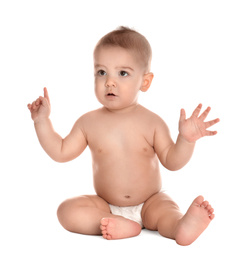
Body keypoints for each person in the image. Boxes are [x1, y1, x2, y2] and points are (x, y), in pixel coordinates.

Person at [27, 26, 220, 245]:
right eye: (102, 72)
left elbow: (172, 162)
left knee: (166, 211)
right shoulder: (87, 122)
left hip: (150, 201)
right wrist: (41, 121)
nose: (109, 81)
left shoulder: (152, 122)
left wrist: (185, 140)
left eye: (123, 73)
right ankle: (118, 223)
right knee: (66, 211)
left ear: (144, 82)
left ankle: (180, 226)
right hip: (105, 204)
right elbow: (60, 152)